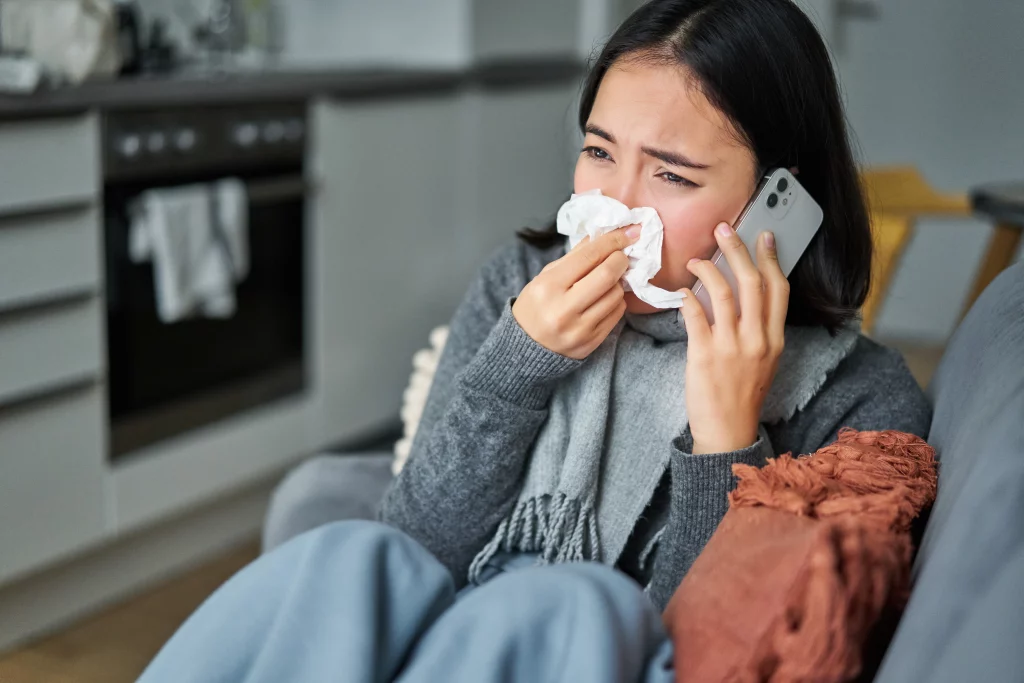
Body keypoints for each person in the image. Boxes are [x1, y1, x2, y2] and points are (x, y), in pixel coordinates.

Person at [139, 1, 932, 680]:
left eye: (672, 175)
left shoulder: (861, 399)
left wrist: (727, 439)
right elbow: (419, 545)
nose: (615, 207)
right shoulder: (520, 282)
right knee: (355, 555)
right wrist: (516, 366)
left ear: (779, 204)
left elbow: (708, 652)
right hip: (448, 637)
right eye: (597, 152)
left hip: (581, 646)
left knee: (569, 600)